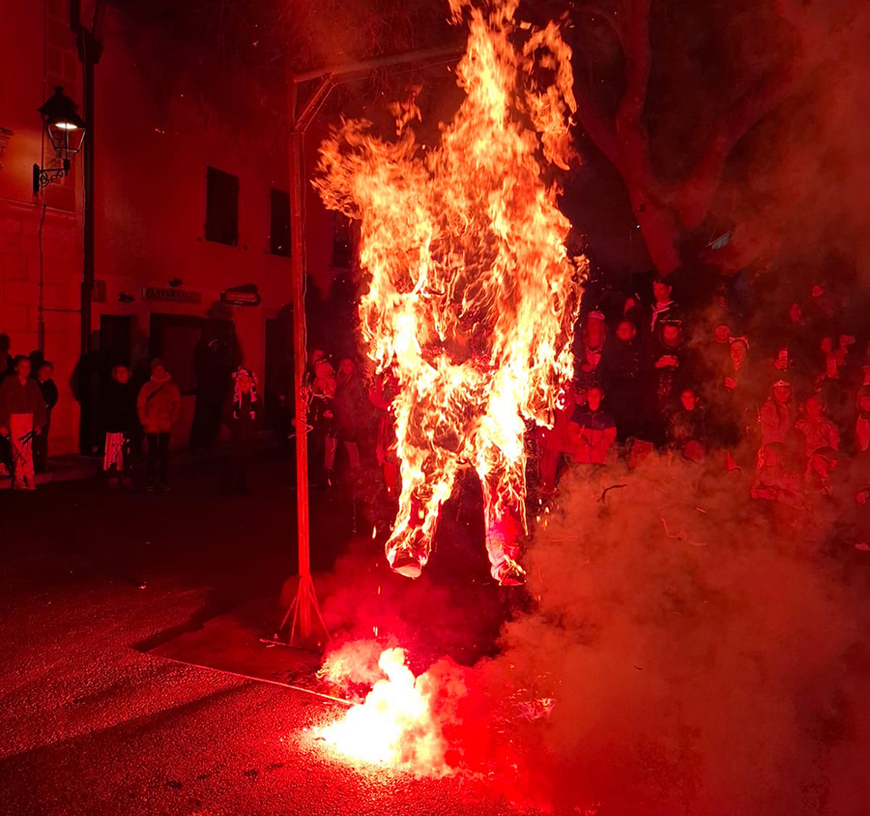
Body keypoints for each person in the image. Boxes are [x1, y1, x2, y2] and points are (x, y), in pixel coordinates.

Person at [0, 356, 48, 490]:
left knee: (27, 448)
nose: (26, 369)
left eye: (28, 367)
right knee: (18, 449)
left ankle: (26, 476)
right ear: (16, 368)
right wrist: (2, 424)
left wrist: (38, 423)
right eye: (23, 366)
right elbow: (2, 403)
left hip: (29, 418)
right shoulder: (9, 383)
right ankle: (21, 477)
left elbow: (39, 404)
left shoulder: (32, 384)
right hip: (14, 418)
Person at [137, 359, 181, 491]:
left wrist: (172, 419)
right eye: (157, 369)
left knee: (163, 453)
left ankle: (163, 479)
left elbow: (177, 405)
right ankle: (150, 479)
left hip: (165, 423)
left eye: (161, 369)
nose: (159, 372)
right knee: (152, 453)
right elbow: (141, 404)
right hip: (151, 423)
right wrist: (144, 420)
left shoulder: (172, 386)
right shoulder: (147, 386)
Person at [601, 319, 647, 441]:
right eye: (620, 329)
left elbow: (642, 372)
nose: (622, 332)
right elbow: (603, 369)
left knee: (629, 430)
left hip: (632, 398)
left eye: (626, 329)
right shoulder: (610, 348)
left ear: (633, 332)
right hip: (613, 396)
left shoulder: (639, 350)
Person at [222, 366, 260, 494]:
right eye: (242, 381)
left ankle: (246, 485)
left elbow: (261, 416)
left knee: (247, 461)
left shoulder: (255, 399)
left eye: (248, 381)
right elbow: (226, 415)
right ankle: (234, 486)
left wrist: (254, 429)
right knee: (235, 461)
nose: (245, 384)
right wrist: (234, 427)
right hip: (237, 435)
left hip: (250, 435)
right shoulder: (233, 398)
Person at [327, 358, 366, 485]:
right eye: (345, 364)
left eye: (350, 365)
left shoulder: (355, 382)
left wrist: (352, 416)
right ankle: (328, 473)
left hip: (348, 418)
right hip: (338, 417)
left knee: (350, 445)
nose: (347, 367)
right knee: (331, 443)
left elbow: (355, 401)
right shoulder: (339, 379)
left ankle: (356, 473)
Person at [103, 364, 137, 487]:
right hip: (114, 426)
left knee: (127, 452)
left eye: (124, 372)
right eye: (119, 372)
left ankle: (127, 474)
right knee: (114, 452)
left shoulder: (132, 389)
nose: (122, 375)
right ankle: (113, 474)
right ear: (115, 374)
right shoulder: (110, 389)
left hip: (128, 427)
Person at [568, 385, 617, 466]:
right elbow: (571, 432)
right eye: (591, 395)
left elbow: (610, 436)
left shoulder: (607, 417)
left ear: (601, 397)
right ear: (587, 396)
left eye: (596, 395)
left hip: (599, 461)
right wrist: (583, 443)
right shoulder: (579, 414)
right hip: (580, 460)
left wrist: (598, 448)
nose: (593, 398)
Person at [32, 361, 58, 473]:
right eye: (45, 371)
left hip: (45, 413)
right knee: (33, 439)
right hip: (33, 414)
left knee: (43, 439)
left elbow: (54, 396)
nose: (47, 374)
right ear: (38, 371)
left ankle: (41, 462)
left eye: (49, 372)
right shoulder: (33, 383)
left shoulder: (50, 384)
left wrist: (48, 405)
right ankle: (32, 461)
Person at [668, 387, 706, 462]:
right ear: (681, 399)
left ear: (696, 399)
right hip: (681, 458)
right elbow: (673, 438)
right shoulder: (677, 417)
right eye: (684, 398)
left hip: (697, 458)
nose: (687, 401)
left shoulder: (702, 417)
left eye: (690, 398)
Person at [759, 379, 794, 448]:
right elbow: (766, 430)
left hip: (787, 447)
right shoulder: (769, 408)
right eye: (778, 392)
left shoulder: (792, 407)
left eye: (785, 392)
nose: (782, 395)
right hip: (772, 447)